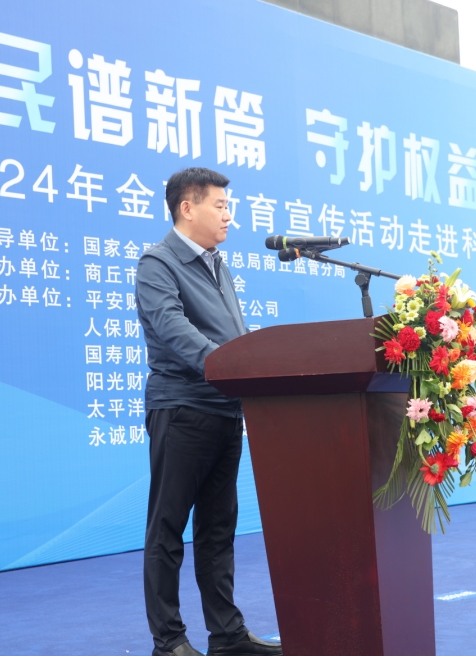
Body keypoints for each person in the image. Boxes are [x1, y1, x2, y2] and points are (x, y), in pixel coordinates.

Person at [136, 168, 283, 656]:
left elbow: (231, 335)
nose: (228, 215)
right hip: (182, 409)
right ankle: (169, 642)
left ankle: (227, 635)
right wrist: (227, 367)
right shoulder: (157, 263)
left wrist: (249, 370)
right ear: (187, 208)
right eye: (219, 205)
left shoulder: (217, 264)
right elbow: (172, 328)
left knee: (218, 529)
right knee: (168, 529)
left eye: (227, 206)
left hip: (226, 410)